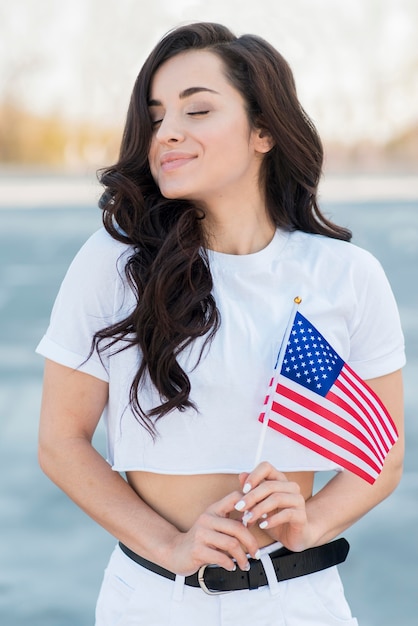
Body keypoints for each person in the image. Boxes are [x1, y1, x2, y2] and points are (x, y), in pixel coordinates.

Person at [36, 22, 405, 626]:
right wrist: (167, 546)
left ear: (264, 131)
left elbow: (383, 452)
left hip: (303, 603)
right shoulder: (113, 261)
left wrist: (312, 521)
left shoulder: (347, 274)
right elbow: (61, 442)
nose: (168, 133)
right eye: (155, 118)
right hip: (155, 602)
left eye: (197, 109)